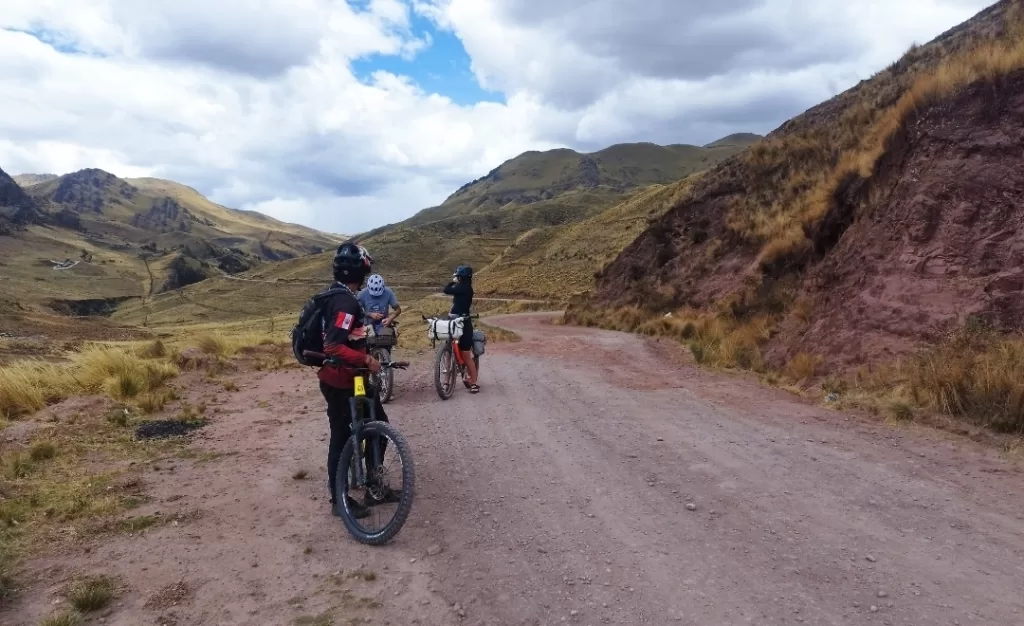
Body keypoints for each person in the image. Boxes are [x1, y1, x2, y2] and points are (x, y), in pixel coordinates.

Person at [318, 242, 399, 519]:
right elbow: (333, 346)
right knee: (341, 438)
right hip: (341, 381)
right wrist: (367, 360)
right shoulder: (346, 302)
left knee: (377, 425)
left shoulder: (335, 294)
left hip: (354, 379)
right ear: (362, 270)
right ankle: (338, 501)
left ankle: (374, 488)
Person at [443, 265, 479, 393]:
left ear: (460, 278)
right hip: (461, 321)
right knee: (463, 353)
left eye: (458, 276)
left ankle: (447, 381)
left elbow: (446, 290)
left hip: (458, 321)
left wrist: (452, 281)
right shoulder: (467, 288)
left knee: (459, 354)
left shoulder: (462, 288)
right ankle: (473, 382)